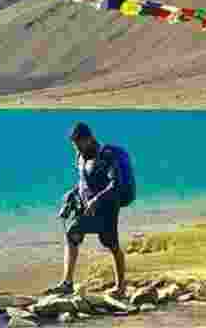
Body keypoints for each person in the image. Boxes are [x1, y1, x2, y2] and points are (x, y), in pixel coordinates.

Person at [44, 122, 126, 297]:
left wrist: (97, 199)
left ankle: (120, 287)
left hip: (107, 209)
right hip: (85, 207)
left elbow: (115, 183)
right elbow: (83, 182)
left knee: (112, 246)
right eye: (74, 144)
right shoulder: (80, 157)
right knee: (72, 234)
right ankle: (67, 283)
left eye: (78, 143)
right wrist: (70, 196)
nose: (76, 148)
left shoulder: (106, 155)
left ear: (89, 139)